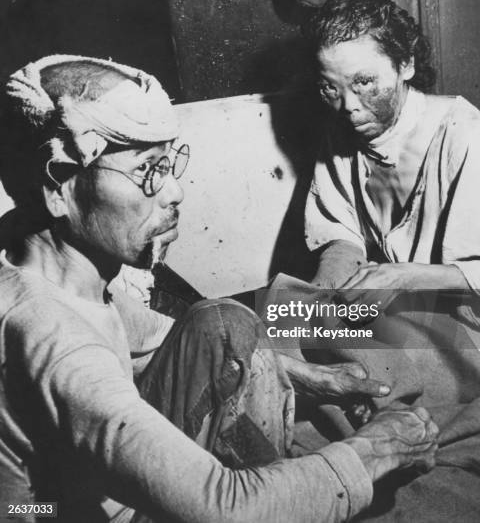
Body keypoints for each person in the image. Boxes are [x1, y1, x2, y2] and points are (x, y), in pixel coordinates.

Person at [0, 55, 440, 523]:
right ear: (58, 188)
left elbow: (156, 336)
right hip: (52, 514)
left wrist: (307, 375)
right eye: (147, 170)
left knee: (224, 322)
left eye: (169, 164)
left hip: (65, 493)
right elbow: (226, 507)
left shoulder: (47, 268)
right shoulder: (57, 342)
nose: (174, 193)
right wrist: (373, 451)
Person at [300, 0, 480, 404]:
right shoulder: (342, 129)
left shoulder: (460, 131)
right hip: (402, 310)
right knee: (283, 324)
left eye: (364, 82)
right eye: (330, 88)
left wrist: (403, 276)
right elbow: (341, 233)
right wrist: (322, 292)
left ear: (406, 65)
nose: (348, 106)